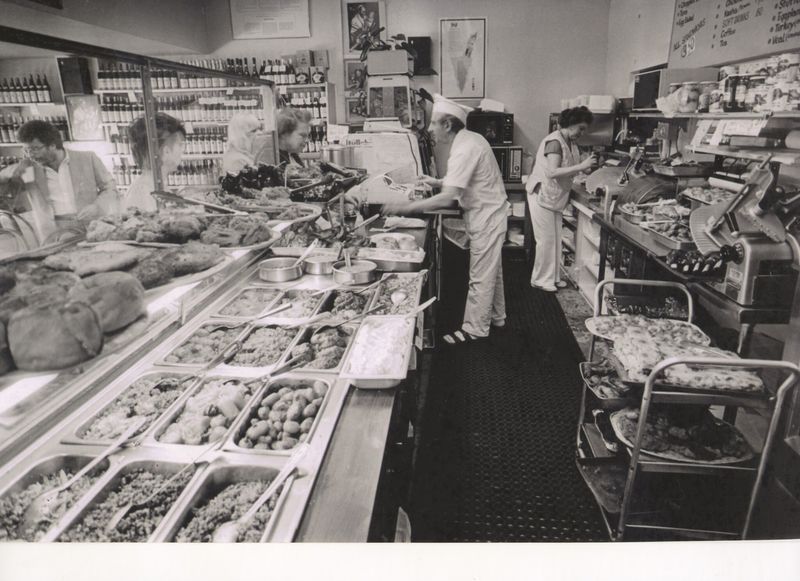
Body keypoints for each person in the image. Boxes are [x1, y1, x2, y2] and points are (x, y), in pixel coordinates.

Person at [382, 94, 509, 344]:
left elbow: (448, 198)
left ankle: (475, 329)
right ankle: (497, 316)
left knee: (481, 275)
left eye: (433, 124)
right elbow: (463, 180)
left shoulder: (464, 148)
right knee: (492, 271)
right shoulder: (470, 140)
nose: (429, 129)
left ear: (447, 125)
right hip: (488, 213)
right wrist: (438, 182)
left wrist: (404, 207)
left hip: (487, 217)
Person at [0, 119, 120, 241]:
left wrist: (97, 206)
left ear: (52, 145)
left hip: (91, 226)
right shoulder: (29, 169)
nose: (30, 155)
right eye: (26, 150)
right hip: (52, 233)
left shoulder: (88, 158)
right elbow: (4, 192)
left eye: (35, 149)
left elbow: (110, 188)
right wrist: (8, 172)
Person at [526, 106, 597, 292]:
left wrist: (585, 167)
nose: (582, 133)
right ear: (571, 123)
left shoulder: (570, 142)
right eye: (581, 128)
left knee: (555, 238)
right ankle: (540, 279)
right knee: (546, 240)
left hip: (554, 197)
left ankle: (553, 278)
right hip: (542, 194)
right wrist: (581, 165)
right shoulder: (554, 142)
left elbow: (571, 165)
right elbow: (552, 171)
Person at [124, 112, 186, 211]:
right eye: (180, 145)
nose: (183, 150)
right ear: (166, 152)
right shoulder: (144, 192)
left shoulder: (154, 185)